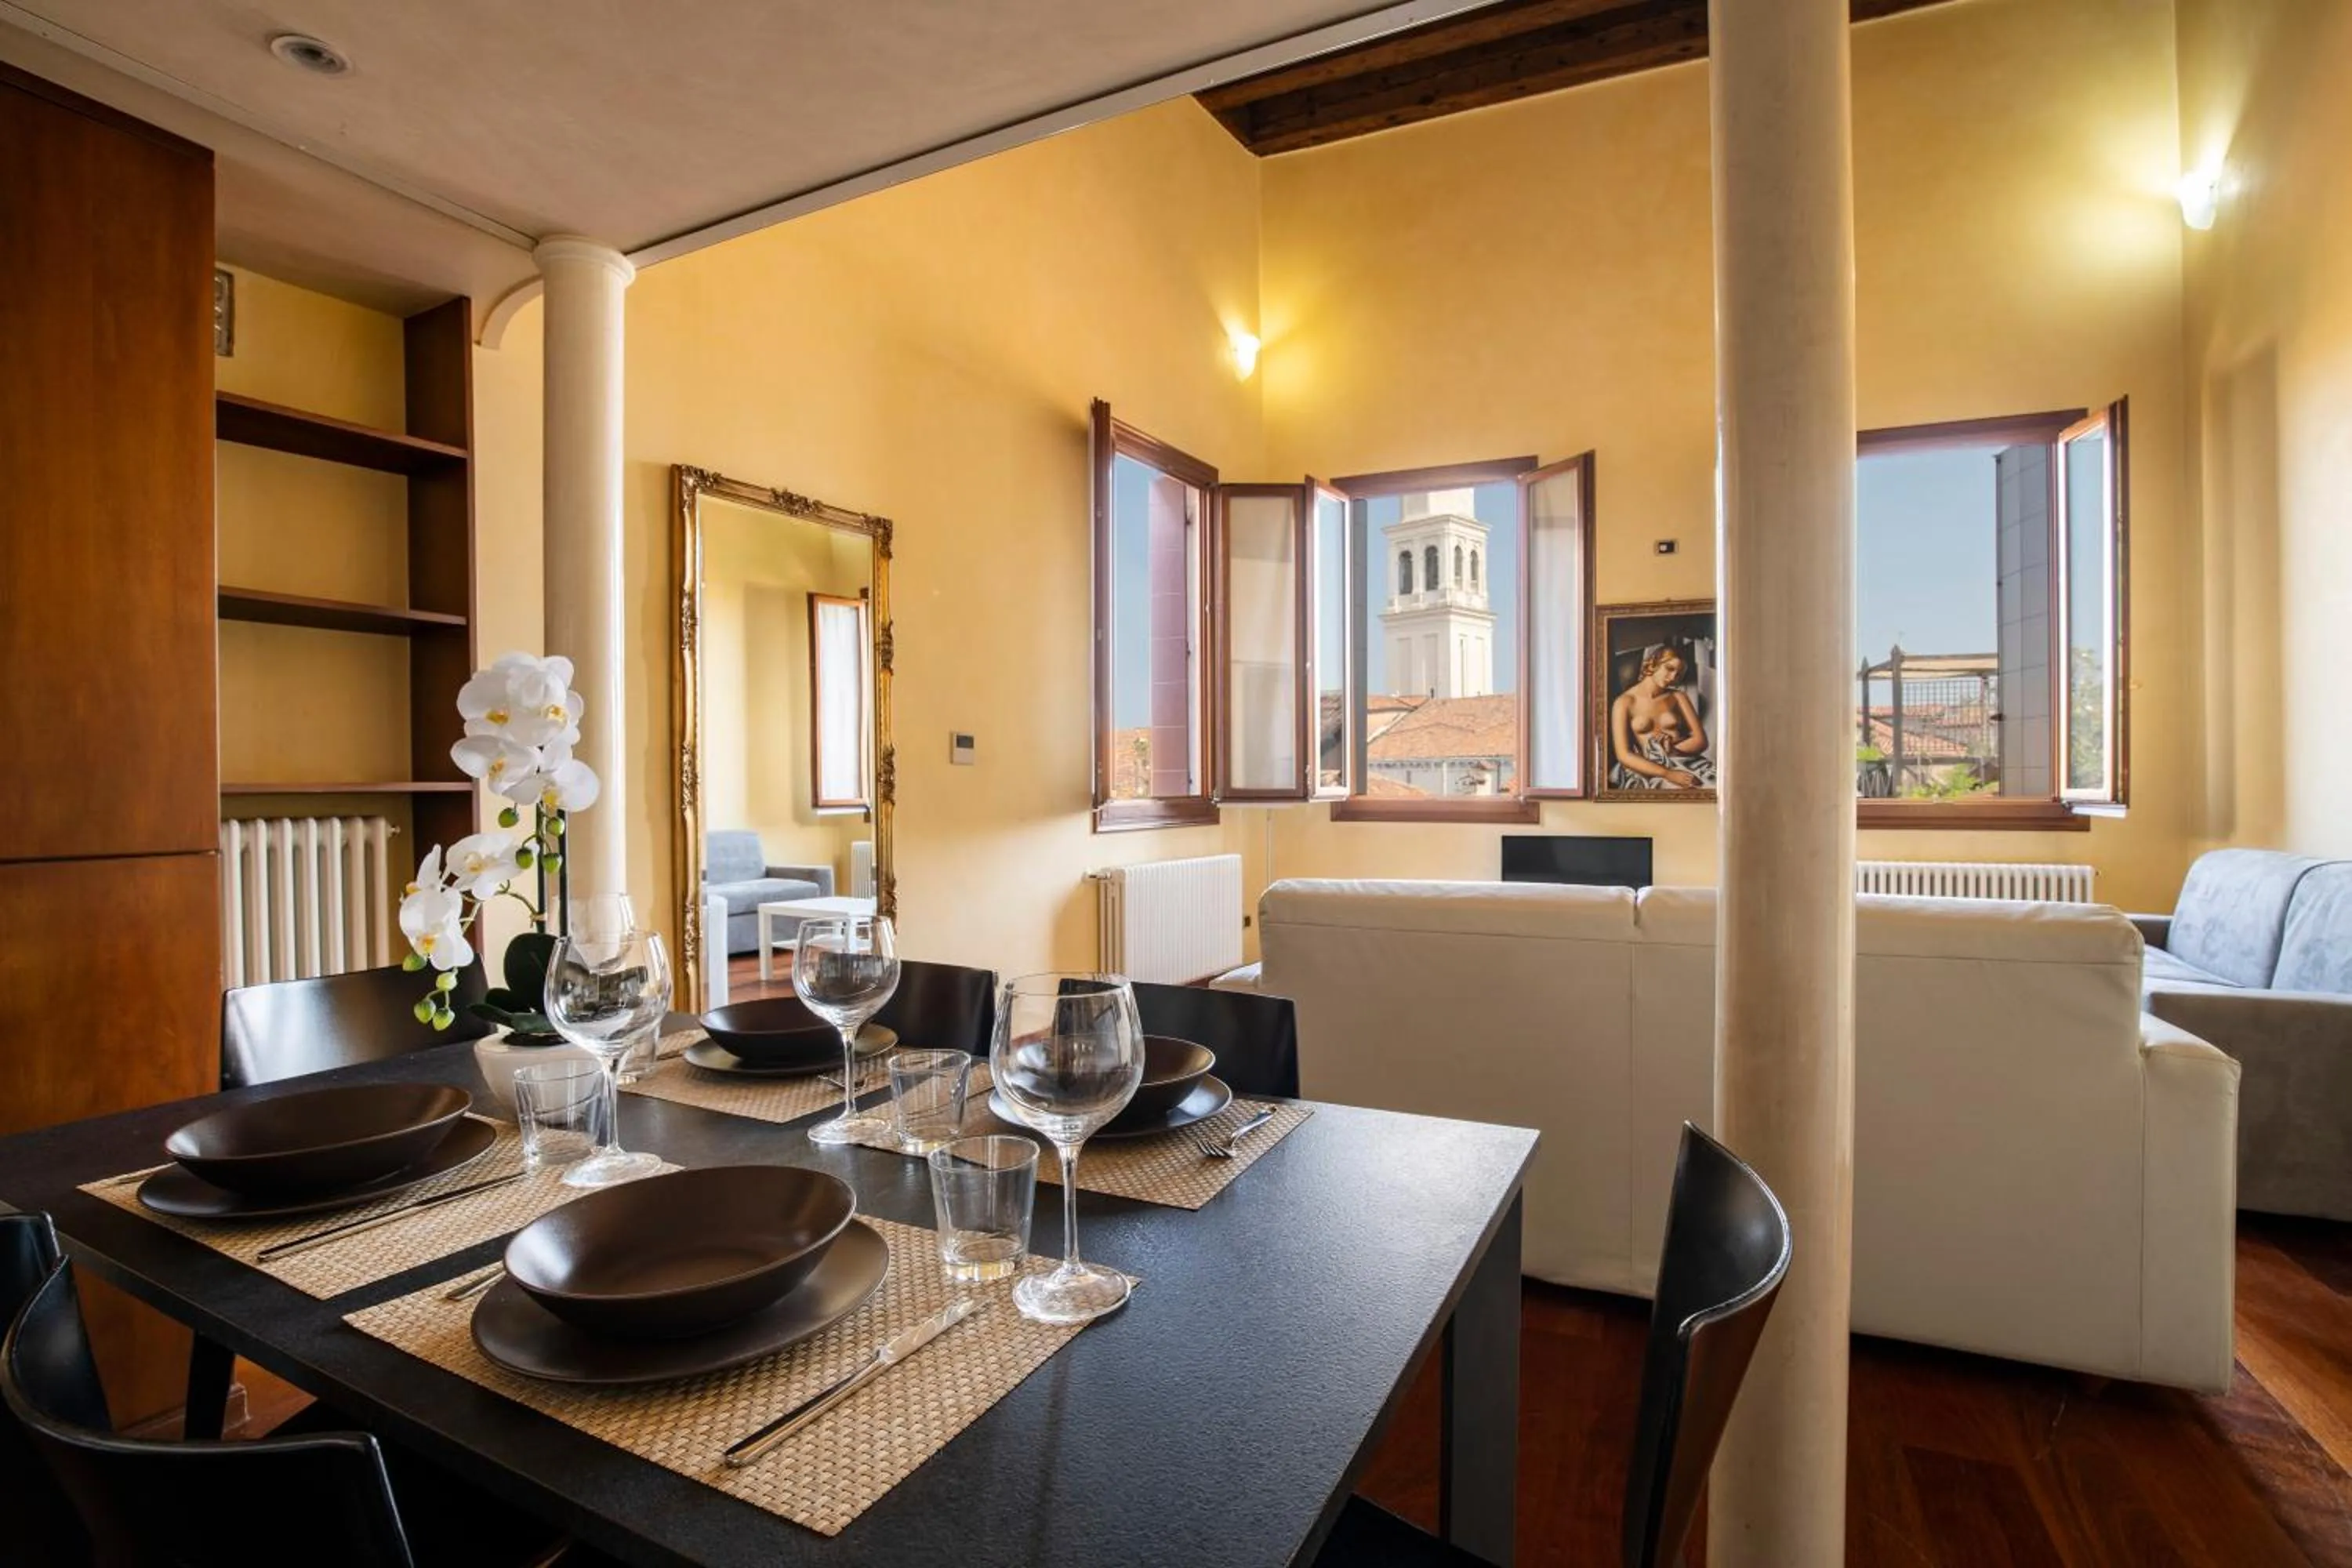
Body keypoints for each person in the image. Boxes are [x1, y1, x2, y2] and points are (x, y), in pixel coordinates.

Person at [1609, 641, 1714, 790]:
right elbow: (1623, 754)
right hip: (1650, 769)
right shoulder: (1624, 702)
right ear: (1653, 665)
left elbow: (1701, 741)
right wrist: (1667, 773)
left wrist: (1673, 750)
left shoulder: (1678, 697)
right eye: (1669, 669)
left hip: (1684, 760)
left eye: (1678, 674)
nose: (1673, 677)